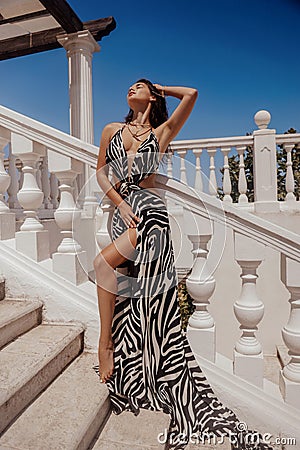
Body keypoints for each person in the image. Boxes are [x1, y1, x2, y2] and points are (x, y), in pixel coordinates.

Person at [92, 79, 274, 450]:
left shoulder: (162, 131)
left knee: (101, 266)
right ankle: (133, 365)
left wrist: (158, 86)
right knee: (129, 292)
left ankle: (104, 345)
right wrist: (119, 202)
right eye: (130, 85)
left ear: (152, 96)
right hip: (122, 213)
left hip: (149, 217)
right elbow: (100, 172)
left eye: (139, 86)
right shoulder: (112, 128)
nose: (131, 88)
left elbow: (191, 95)